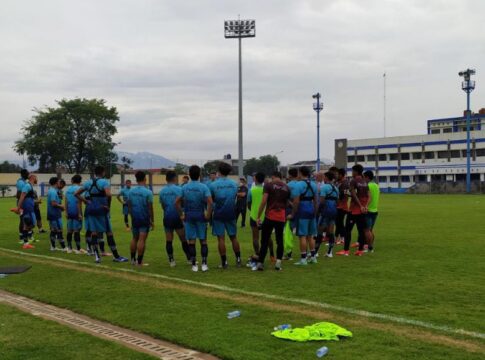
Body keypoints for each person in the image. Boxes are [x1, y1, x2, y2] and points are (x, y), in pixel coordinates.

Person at [75, 166, 128, 263]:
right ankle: (116, 256)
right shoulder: (104, 182)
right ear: (103, 172)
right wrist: (108, 206)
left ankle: (97, 257)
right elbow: (108, 195)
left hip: (91, 209)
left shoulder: (88, 182)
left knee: (94, 233)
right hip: (102, 210)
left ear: (95, 173)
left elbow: (76, 194)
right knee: (109, 232)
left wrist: (86, 201)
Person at [175, 165, 212, 272]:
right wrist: (208, 214)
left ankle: (194, 265)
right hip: (200, 215)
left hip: (189, 216)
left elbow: (176, 202)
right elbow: (210, 202)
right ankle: (204, 264)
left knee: (191, 241)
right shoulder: (204, 187)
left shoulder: (184, 187)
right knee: (203, 241)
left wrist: (181, 214)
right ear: (199, 174)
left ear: (189, 175)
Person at [253, 171, 290, 271]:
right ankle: (278, 263)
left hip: (270, 215)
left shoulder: (269, 185)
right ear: (281, 176)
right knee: (279, 240)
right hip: (281, 216)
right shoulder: (286, 187)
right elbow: (287, 203)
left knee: (264, 240)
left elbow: (264, 200)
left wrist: (258, 216)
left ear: (273, 176)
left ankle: (260, 263)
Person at [209, 162, 242, 269]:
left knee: (221, 239)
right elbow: (235, 197)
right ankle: (238, 260)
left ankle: (224, 262)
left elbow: (211, 200)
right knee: (233, 237)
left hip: (218, 213)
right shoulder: (234, 184)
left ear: (219, 172)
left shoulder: (213, 185)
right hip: (230, 212)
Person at [337, 164, 370, 256]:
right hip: (362, 210)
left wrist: (359, 204)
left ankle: (346, 251)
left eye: (352, 171)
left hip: (354, 210)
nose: (352, 173)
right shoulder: (364, 181)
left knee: (348, 230)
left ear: (356, 171)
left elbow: (354, 194)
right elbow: (368, 195)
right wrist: (365, 206)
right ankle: (360, 251)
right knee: (361, 230)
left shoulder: (353, 181)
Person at [159, 170, 191, 266]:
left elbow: (163, 205)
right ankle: (189, 259)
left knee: (169, 239)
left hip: (167, 217)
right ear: (174, 178)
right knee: (183, 239)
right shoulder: (179, 189)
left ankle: (171, 260)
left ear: (166, 179)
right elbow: (183, 203)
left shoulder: (162, 191)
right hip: (177, 217)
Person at [291, 166, 318, 265]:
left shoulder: (298, 185)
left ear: (301, 173)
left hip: (302, 210)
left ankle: (303, 259)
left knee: (302, 235)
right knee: (310, 235)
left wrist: (293, 213)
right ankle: (313, 257)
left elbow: (296, 201)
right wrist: (315, 212)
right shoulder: (314, 184)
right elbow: (316, 201)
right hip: (311, 210)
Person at [128, 171, 154, 266]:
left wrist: (132, 216)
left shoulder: (131, 191)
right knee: (142, 240)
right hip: (144, 218)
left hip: (135, 218)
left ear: (136, 179)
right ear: (145, 179)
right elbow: (150, 208)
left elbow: (129, 206)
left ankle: (132, 260)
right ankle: (139, 262)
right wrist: (152, 221)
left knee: (134, 238)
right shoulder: (148, 192)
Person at [247, 172, 272, 265]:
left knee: (255, 238)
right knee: (268, 237)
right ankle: (272, 255)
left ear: (256, 179)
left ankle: (257, 255)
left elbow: (248, 204)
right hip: (266, 216)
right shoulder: (268, 190)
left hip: (254, 216)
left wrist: (253, 209)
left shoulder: (251, 190)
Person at [317, 171, 339, 258]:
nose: (323, 178)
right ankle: (330, 252)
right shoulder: (336, 188)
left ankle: (315, 252)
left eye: (324, 177)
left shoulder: (324, 187)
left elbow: (321, 201)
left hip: (325, 212)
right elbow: (337, 202)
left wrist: (318, 211)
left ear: (326, 178)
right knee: (331, 232)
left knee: (320, 231)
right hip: (333, 211)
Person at [16, 174, 38, 249]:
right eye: (36, 178)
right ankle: (26, 243)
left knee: (27, 225)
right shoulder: (27, 186)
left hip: (29, 208)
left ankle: (26, 243)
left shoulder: (30, 186)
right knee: (30, 224)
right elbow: (22, 196)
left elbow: (28, 198)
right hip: (27, 208)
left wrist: (36, 201)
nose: (37, 179)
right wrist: (18, 208)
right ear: (32, 178)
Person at [284, 168, 300, 260]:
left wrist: (292, 205)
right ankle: (306, 254)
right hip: (301, 209)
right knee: (302, 233)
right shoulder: (300, 185)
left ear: (290, 175)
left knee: (288, 232)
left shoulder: (287, 185)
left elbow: (285, 199)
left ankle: (288, 254)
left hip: (290, 210)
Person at [65, 174, 83, 254]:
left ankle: (69, 248)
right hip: (76, 211)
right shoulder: (80, 189)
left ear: (72, 180)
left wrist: (66, 212)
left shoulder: (68, 189)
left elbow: (66, 201)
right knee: (76, 231)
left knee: (69, 230)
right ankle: (78, 249)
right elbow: (79, 202)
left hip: (69, 212)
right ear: (80, 181)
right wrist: (79, 213)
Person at [47, 177, 66, 251]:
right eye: (58, 181)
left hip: (56, 214)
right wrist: (61, 206)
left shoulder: (55, 191)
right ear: (56, 182)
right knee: (57, 230)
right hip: (53, 214)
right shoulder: (52, 191)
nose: (59, 183)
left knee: (56, 230)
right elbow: (53, 203)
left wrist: (60, 207)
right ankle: (63, 247)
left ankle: (54, 247)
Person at [364, 170, 379, 252]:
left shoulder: (368, 186)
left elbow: (369, 198)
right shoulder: (376, 186)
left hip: (368, 210)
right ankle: (370, 246)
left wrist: (365, 206)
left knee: (367, 230)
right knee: (370, 230)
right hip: (375, 210)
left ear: (367, 177)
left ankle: (369, 247)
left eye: (364, 177)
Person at [335, 168, 350, 245]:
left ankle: (343, 239)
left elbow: (345, 194)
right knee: (338, 223)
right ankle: (337, 238)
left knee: (340, 223)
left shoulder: (345, 183)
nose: (336, 176)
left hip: (342, 206)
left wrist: (336, 198)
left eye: (337, 174)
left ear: (341, 174)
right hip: (339, 205)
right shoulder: (339, 182)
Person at [16, 169, 29, 243]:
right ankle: (21, 238)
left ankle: (25, 236)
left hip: (25, 203)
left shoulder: (24, 182)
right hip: (22, 203)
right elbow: (19, 194)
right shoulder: (21, 182)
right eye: (27, 173)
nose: (28, 174)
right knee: (22, 220)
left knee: (25, 219)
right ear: (24, 174)